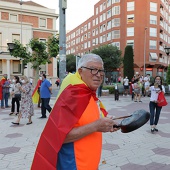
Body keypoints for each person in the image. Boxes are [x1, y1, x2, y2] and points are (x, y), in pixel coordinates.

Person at [31, 54, 119, 170]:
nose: (99, 75)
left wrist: (106, 124)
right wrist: (96, 126)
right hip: (73, 164)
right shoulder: (72, 95)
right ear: (80, 71)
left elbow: (90, 122)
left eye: (101, 70)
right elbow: (57, 136)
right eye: (93, 70)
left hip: (90, 163)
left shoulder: (89, 94)